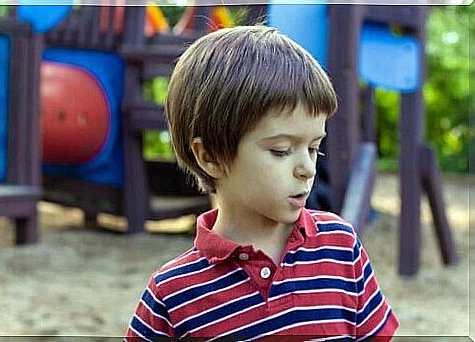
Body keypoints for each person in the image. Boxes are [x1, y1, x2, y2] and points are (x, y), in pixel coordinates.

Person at [124, 25, 399, 341]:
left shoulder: (340, 248)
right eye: (281, 151)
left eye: (314, 148)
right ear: (210, 156)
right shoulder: (173, 295)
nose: (307, 169)